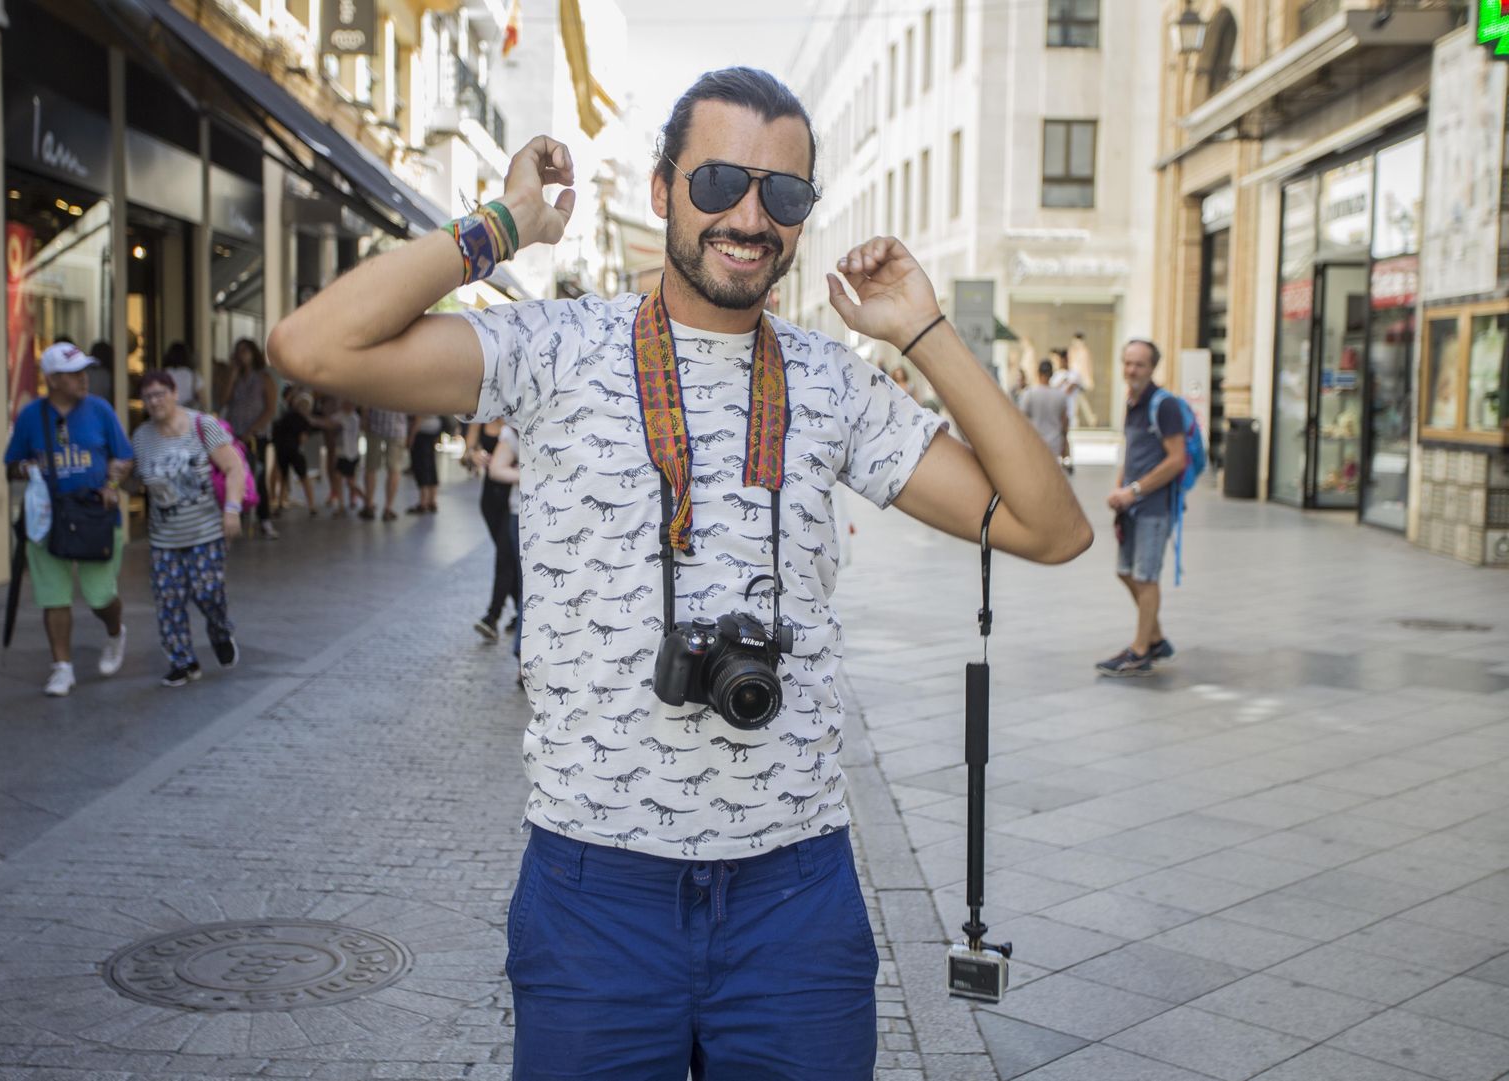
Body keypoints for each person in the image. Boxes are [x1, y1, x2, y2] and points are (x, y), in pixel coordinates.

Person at [267, 67, 1090, 1078]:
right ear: (661, 191)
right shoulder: (554, 349)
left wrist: (923, 331)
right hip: (594, 899)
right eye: (717, 184)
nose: (748, 215)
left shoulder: (835, 384)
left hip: (794, 903)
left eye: (782, 195)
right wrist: (501, 226)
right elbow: (310, 345)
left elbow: (1051, 530)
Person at [3, 341, 134, 697]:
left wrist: (113, 482)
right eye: (74, 373)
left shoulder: (100, 410)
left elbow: (124, 457)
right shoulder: (31, 416)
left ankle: (114, 631)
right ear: (52, 379)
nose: (83, 379)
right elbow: (11, 465)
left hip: (95, 515)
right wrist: (25, 467)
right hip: (48, 517)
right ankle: (62, 667)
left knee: (99, 595)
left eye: (84, 371)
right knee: (53, 596)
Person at [131, 370, 247, 686]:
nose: (154, 402)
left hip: (205, 532)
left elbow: (234, 466)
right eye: (148, 397)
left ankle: (220, 631)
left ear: (174, 394)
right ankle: (183, 661)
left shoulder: (201, 425)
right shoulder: (141, 437)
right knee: (169, 599)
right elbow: (135, 479)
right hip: (164, 537)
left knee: (207, 591)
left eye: (159, 394)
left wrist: (232, 509)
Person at [1098, 338, 1185, 677]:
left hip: (1154, 508)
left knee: (1146, 578)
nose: (1132, 370)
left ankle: (1140, 651)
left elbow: (1176, 460)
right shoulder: (1132, 401)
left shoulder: (1164, 406)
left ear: (1152, 368)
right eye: (1128, 363)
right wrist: (1120, 489)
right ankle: (1158, 639)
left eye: (1139, 364)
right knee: (1126, 571)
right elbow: (1131, 449)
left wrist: (1133, 491)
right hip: (1131, 506)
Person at [219, 337, 279, 539]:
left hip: (255, 435)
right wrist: (232, 375)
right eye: (239, 351)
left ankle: (265, 519)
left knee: (258, 475)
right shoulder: (235, 378)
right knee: (233, 474)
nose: (242, 355)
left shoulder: (264, 378)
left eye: (245, 351)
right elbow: (224, 400)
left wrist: (253, 429)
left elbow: (270, 409)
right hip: (234, 434)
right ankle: (237, 515)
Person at [466, 419, 519, 640]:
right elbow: (467, 453)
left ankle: (492, 616)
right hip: (491, 499)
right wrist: (474, 454)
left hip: (513, 498)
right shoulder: (482, 418)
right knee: (506, 556)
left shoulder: (516, 419)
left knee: (504, 557)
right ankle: (520, 609)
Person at [485, 426, 523, 662]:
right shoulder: (514, 429)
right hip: (522, 513)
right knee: (529, 589)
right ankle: (524, 658)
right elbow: (496, 469)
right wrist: (533, 474)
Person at [272, 389, 331, 517]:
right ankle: (311, 505)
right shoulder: (303, 421)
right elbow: (302, 438)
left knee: (283, 477)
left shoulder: (286, 416)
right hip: (294, 451)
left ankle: (280, 503)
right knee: (303, 477)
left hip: (282, 450)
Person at [1019, 357, 1071, 470]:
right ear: (1052, 374)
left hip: (1035, 441)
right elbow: (1065, 422)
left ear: (1038, 373)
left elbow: (1022, 419)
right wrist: (1065, 444)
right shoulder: (1060, 396)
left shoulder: (1029, 394)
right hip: (1055, 442)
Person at [360, 406, 406, 521]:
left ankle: (369, 505)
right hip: (396, 427)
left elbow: (367, 398)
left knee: (372, 467)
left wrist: (364, 418)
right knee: (394, 469)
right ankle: (388, 508)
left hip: (375, 425)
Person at [326, 398, 366, 518]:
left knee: (350, 483)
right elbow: (328, 422)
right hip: (343, 454)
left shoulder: (354, 418)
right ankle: (342, 505)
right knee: (339, 478)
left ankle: (366, 500)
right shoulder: (339, 416)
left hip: (351, 454)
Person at [1049, 345, 1098, 428]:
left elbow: (1071, 388)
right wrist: (1062, 382)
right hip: (1059, 414)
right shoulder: (1056, 376)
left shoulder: (1075, 374)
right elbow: (1052, 389)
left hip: (1072, 414)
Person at [406, 413, 444, 514]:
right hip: (433, 430)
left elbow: (418, 417)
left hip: (422, 432)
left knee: (421, 467)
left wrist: (411, 437)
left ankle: (424, 501)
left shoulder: (419, 398)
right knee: (430, 465)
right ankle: (432, 500)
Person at [162, 342, 203, 408]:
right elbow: (202, 397)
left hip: (169, 409)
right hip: (187, 411)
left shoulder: (163, 373)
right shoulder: (193, 374)